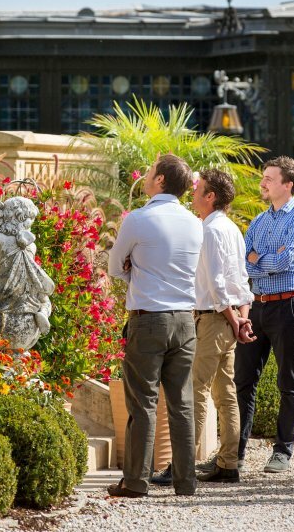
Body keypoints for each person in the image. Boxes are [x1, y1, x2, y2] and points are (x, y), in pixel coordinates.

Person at [106, 154, 203, 498]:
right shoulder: (194, 222)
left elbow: (115, 267)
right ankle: (186, 482)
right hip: (185, 322)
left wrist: (137, 268)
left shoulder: (139, 219)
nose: (145, 177)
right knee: (182, 403)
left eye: (149, 173)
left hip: (149, 320)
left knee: (143, 403)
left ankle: (135, 482)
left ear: (160, 180)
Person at [236, 156, 294, 475]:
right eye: (263, 177)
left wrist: (260, 258)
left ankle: (283, 451)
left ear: (288, 184)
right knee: (243, 380)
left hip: (288, 307)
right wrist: (264, 258)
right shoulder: (258, 221)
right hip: (257, 306)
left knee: (289, 381)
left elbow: (282, 264)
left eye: (269, 178)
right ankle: (235, 452)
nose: (263, 183)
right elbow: (245, 263)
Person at [189, 169, 253, 484]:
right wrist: (242, 319)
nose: (192, 193)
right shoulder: (232, 229)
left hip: (214, 319)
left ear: (210, 196)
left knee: (197, 389)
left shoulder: (211, 230)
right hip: (227, 319)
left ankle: (183, 463)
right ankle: (227, 464)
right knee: (225, 393)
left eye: (198, 189)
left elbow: (216, 287)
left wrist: (233, 319)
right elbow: (241, 282)